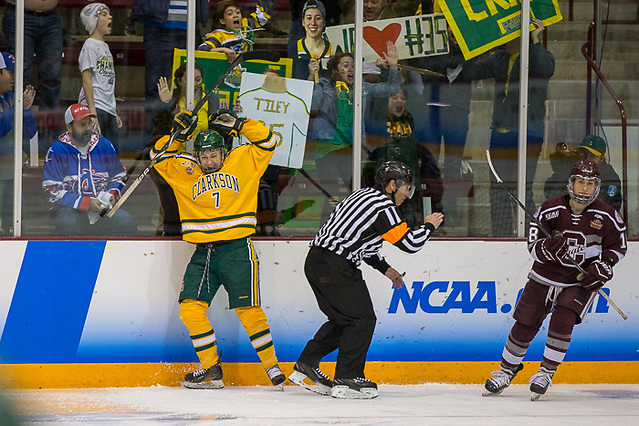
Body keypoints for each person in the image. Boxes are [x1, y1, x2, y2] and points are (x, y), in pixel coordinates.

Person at [150, 108, 286, 389]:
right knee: (190, 309)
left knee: (248, 309)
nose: (209, 161)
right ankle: (211, 368)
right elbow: (157, 157)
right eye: (204, 156)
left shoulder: (243, 159)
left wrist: (241, 124)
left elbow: (269, 140)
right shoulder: (185, 170)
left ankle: (272, 366)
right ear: (196, 155)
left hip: (237, 249)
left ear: (223, 152)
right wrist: (177, 135)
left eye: (214, 155)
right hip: (203, 252)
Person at [288, 161, 444, 399]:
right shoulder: (383, 207)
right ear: (392, 185)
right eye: (407, 188)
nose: (408, 195)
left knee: (345, 320)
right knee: (362, 319)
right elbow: (410, 244)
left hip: (316, 262)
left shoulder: (361, 196)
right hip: (336, 266)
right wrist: (429, 226)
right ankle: (348, 378)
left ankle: (307, 364)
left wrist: (386, 269)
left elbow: (364, 243)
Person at [483, 159, 627, 400]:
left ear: (597, 186)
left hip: (580, 282)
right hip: (543, 277)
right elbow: (533, 245)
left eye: (590, 184)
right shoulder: (549, 209)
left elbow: (617, 248)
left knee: (563, 321)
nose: (584, 188)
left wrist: (604, 265)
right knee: (525, 323)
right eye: (580, 182)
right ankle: (506, 371)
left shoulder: (608, 215)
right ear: (571, 183)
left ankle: (545, 373)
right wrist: (549, 249)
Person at [309, 44, 400, 224]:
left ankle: (357, 228)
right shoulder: (326, 85)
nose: (350, 68)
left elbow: (390, 89)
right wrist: (313, 76)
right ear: (334, 71)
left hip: (350, 148)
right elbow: (312, 102)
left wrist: (394, 66)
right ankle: (325, 232)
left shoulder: (362, 87)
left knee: (357, 192)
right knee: (331, 194)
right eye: (345, 65)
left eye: (352, 65)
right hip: (327, 147)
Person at [484, 18, 555, 237]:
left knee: (523, 187)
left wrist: (535, 40)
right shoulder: (501, 58)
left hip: (528, 132)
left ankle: (531, 235)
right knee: (498, 188)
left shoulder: (537, 56)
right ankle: (501, 236)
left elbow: (545, 69)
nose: (505, 38)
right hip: (500, 132)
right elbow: (472, 70)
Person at [42, 104, 137, 236]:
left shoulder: (104, 145)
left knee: (126, 221)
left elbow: (119, 176)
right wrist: (86, 204)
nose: (88, 128)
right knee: (66, 222)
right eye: (81, 124)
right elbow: (51, 190)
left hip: (102, 209)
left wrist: (111, 195)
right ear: (69, 127)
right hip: (70, 210)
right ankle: (70, 257)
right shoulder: (57, 151)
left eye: (89, 123)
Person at [367, 88, 443, 228]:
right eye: (394, 98)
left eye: (402, 98)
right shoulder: (379, 120)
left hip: (408, 180)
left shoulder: (409, 120)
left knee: (409, 219)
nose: (399, 101)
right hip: (389, 182)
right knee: (389, 219)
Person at [131, 0, 209, 126]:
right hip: (159, 26)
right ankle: (157, 134)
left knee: (194, 82)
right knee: (157, 85)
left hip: (190, 24)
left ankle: (193, 130)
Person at [0, 52, 37, 235]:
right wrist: (18, 109)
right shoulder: (14, 103)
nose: (15, 78)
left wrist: (27, 111)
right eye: (11, 72)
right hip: (2, 174)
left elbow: (30, 134)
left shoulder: (12, 98)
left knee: (17, 228)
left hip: (12, 173)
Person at [2, 0, 62, 111]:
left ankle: (50, 125)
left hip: (51, 15)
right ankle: (14, 122)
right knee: (19, 73)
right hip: (19, 13)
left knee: (52, 75)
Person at [78, 3, 122, 152]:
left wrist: (113, 110)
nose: (110, 17)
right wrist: (92, 112)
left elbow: (107, 81)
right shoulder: (90, 45)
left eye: (109, 14)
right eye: (104, 14)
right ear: (94, 21)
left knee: (112, 152)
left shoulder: (105, 46)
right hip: (95, 106)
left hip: (107, 107)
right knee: (96, 153)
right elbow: (86, 79)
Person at [197, 0, 271, 62]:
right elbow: (202, 49)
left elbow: (262, 18)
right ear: (222, 21)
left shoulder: (245, 26)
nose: (235, 15)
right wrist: (223, 50)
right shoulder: (219, 35)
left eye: (238, 12)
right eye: (230, 14)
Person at [293, 0, 333, 81]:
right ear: (303, 22)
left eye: (318, 18)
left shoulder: (333, 47)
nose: (313, 23)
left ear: (324, 22)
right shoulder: (294, 48)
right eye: (309, 18)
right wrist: (311, 76)